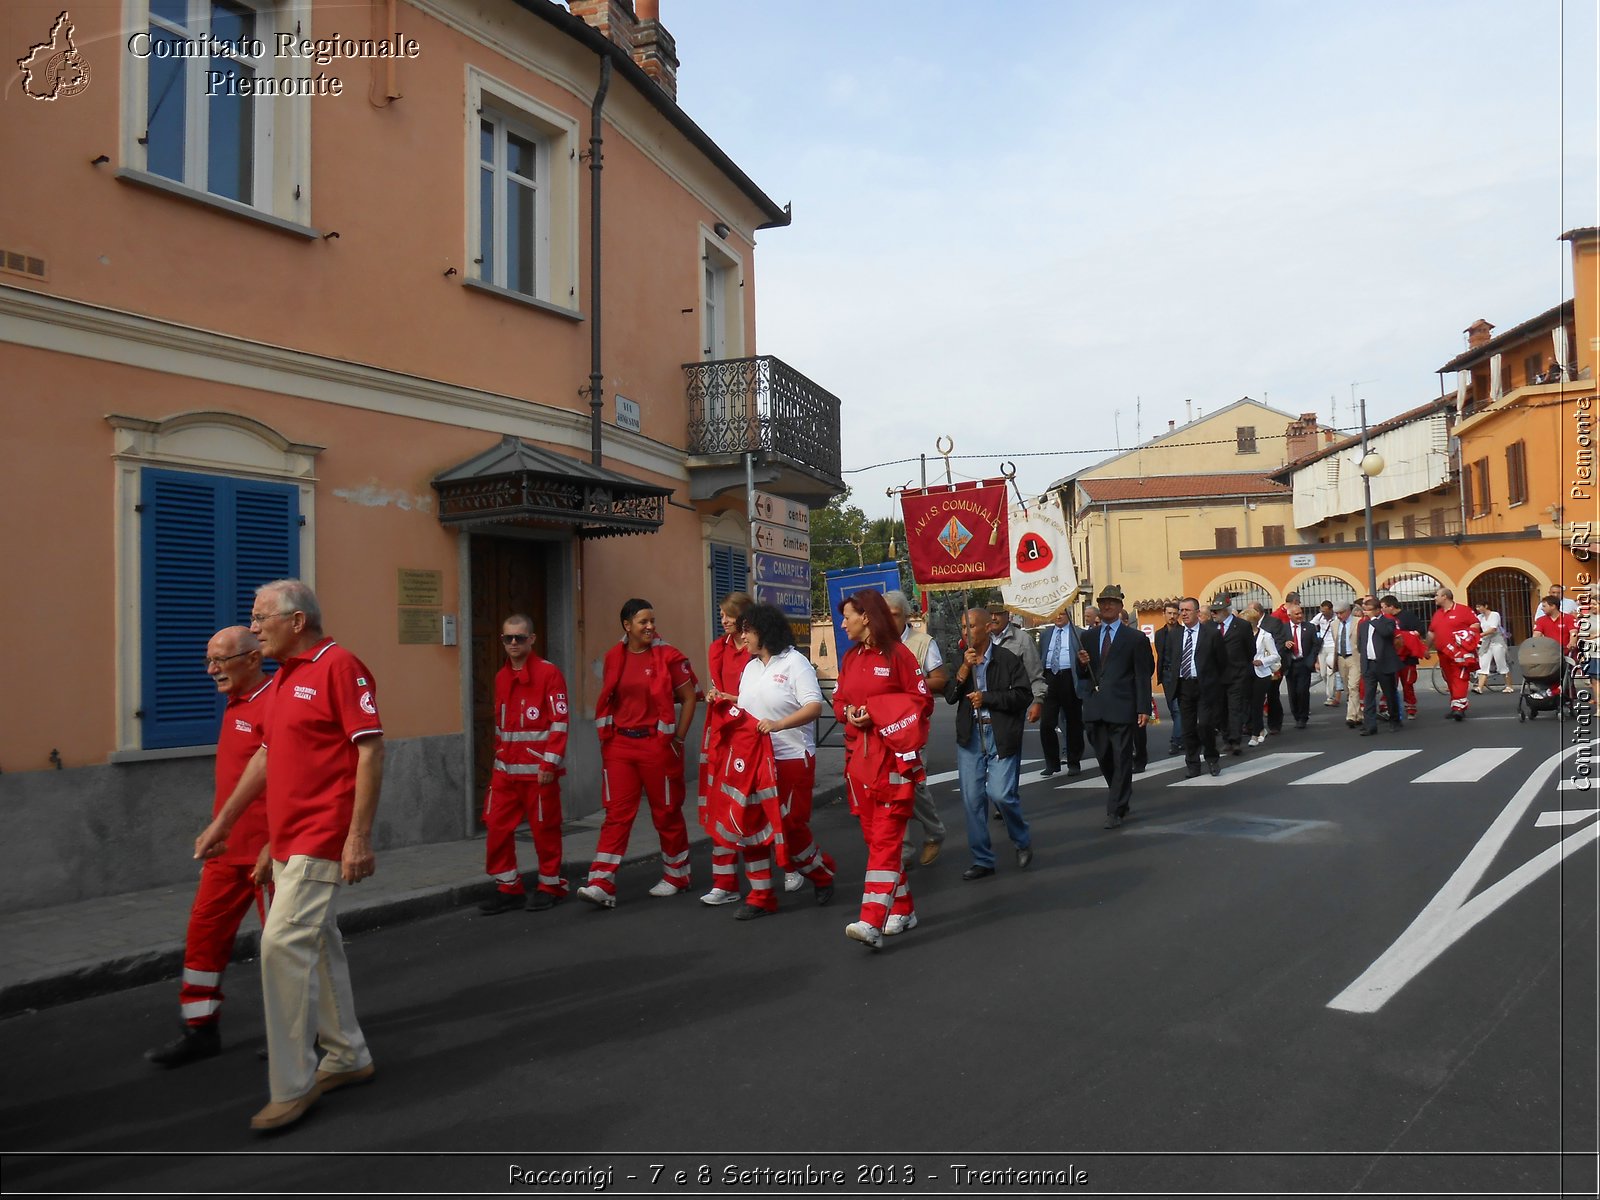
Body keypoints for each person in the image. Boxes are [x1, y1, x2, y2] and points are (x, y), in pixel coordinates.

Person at [195, 579, 382, 1133]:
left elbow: (369, 751)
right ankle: (348, 1055)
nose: (254, 628)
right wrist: (229, 825)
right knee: (318, 944)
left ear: (296, 621)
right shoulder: (284, 681)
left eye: (260, 618)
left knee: (280, 945)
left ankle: (292, 1085)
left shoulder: (340, 666)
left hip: (323, 836)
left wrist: (358, 837)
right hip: (288, 840)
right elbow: (269, 758)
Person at [146, 626, 275, 1068]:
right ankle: (199, 1030)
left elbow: (296, 781)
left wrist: (276, 844)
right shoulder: (235, 703)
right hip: (227, 853)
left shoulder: (277, 702)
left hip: (269, 855)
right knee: (203, 936)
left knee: (283, 948)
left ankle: (298, 1034)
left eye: (221, 660)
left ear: (254, 658)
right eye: (209, 661)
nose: (212, 670)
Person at [578, 598, 699, 907]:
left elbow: (688, 698)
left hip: (657, 745)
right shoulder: (613, 657)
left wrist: (679, 738)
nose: (650, 627)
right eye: (643, 621)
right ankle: (601, 883)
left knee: (666, 812)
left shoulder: (669, 656)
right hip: (620, 746)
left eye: (652, 621)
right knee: (616, 814)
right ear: (627, 625)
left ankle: (677, 875)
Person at [833, 589, 933, 949]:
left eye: (847, 617)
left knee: (887, 841)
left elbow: (922, 702)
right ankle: (903, 910)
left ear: (867, 617)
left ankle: (871, 920)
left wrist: (878, 712)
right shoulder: (850, 658)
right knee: (875, 840)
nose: (842, 623)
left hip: (892, 762)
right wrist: (848, 712)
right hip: (858, 764)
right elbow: (840, 697)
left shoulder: (900, 656)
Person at [722, 602, 836, 917]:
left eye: (747, 631)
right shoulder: (751, 667)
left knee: (789, 827)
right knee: (751, 825)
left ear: (765, 632)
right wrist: (725, 700)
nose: (742, 638)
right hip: (755, 760)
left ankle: (820, 873)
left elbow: (814, 707)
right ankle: (760, 897)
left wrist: (778, 725)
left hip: (791, 758)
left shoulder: (795, 664)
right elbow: (751, 705)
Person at [479, 615, 569, 915]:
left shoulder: (549, 674)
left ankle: (550, 885)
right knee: (495, 827)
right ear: (502, 641)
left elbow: (559, 721)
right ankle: (508, 887)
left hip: (539, 774)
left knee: (545, 831)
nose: (514, 643)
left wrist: (549, 764)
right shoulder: (501, 677)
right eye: (508, 638)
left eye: (519, 637)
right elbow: (501, 727)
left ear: (532, 639)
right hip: (505, 771)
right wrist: (498, 759)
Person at [946, 607, 1034, 880]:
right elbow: (949, 695)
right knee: (973, 800)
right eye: (963, 627)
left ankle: (1021, 839)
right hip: (970, 735)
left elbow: (1022, 696)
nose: (966, 632)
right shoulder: (960, 660)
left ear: (987, 628)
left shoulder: (1007, 660)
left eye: (971, 626)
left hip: (999, 734)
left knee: (1001, 794)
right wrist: (963, 668)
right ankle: (982, 859)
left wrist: (988, 698)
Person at [1076, 584, 1154, 830]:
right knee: (1104, 756)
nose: (1107, 606)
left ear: (1120, 606)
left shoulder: (1135, 638)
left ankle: (1115, 808)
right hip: (1095, 707)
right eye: (1103, 602)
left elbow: (1143, 674)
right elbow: (1085, 674)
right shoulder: (1088, 636)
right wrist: (1082, 664)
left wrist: (1143, 707)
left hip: (1122, 706)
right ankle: (1119, 793)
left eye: (1111, 602)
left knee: (1121, 757)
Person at [884, 590, 949, 868]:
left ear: (907, 616)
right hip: (884, 727)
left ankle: (934, 830)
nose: (888, 620)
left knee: (913, 784)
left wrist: (911, 681)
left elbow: (940, 680)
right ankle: (904, 850)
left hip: (913, 726)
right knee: (891, 788)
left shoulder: (922, 643)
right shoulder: (876, 643)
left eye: (894, 615)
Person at [700, 592, 755, 905]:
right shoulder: (717, 648)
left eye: (728, 615)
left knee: (753, 808)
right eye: (721, 614)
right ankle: (724, 882)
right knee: (721, 805)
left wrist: (729, 698)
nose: (723, 620)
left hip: (750, 731)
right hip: (723, 731)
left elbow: (754, 693)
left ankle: (791, 865)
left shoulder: (755, 648)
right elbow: (718, 685)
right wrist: (716, 696)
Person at [1161, 597, 1226, 778]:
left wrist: (1216, 684)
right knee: (1187, 728)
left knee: (1205, 725)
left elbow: (1221, 661)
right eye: (1181, 610)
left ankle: (1212, 758)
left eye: (1187, 610)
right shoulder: (1175, 635)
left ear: (1197, 613)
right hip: (1184, 686)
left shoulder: (1211, 634)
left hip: (1204, 686)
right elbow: (1172, 660)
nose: (1183, 614)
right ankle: (1193, 764)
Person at [1038, 606, 1086, 776]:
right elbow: (1040, 656)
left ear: (1069, 615)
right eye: (1055, 613)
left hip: (1069, 677)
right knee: (1047, 722)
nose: (1058, 616)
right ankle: (1052, 762)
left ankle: (1074, 761)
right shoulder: (1045, 635)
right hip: (1050, 677)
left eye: (1062, 613)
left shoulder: (1077, 633)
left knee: (1073, 722)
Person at [1428, 587, 1480, 719]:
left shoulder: (1463, 610)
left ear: (1445, 596)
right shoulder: (1437, 614)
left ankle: (1459, 708)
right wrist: (1426, 648)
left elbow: (1475, 625)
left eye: (1437, 595)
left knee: (1460, 677)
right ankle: (1455, 705)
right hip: (1443, 653)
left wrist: (1464, 639)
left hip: (1459, 653)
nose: (1435, 598)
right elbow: (1431, 633)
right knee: (1449, 679)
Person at [1214, 599, 1254, 754]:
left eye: (1216, 611)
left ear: (1226, 611)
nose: (1213, 614)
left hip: (1237, 674)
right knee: (1221, 709)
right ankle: (1226, 737)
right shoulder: (1211, 627)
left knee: (1235, 708)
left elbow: (1250, 649)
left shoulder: (1242, 626)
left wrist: (1243, 666)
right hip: (1218, 676)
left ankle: (1235, 740)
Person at [1360, 596, 1402, 735]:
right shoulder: (1363, 624)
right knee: (1369, 696)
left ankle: (1394, 720)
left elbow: (1386, 633)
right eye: (1365, 610)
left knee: (1389, 694)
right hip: (1369, 664)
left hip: (1384, 663)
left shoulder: (1388, 621)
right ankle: (1370, 725)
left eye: (1370, 610)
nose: (1367, 612)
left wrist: (1373, 620)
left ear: (1378, 610)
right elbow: (1362, 644)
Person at [1244, 603, 1282, 748]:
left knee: (1257, 703)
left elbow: (1275, 656)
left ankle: (1255, 733)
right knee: (1247, 703)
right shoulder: (1243, 636)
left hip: (1261, 673)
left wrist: (1262, 661)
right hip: (1246, 673)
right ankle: (1260, 729)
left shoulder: (1266, 635)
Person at [1152, 603, 1186, 756]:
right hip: (1165, 675)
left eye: (1174, 613)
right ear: (1164, 614)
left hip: (1178, 675)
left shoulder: (1184, 632)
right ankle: (1183, 736)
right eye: (1169, 613)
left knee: (1178, 709)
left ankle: (1176, 741)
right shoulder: (1159, 634)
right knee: (1173, 710)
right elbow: (1160, 654)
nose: (1172, 616)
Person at [1280, 600, 1320, 730]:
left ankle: (1303, 717)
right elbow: (1277, 644)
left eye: (1301, 613)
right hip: (1290, 663)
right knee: (1292, 692)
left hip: (1304, 663)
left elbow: (1315, 644)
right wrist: (1285, 645)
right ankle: (1296, 715)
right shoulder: (1283, 628)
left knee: (1302, 691)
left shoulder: (1309, 627)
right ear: (1289, 615)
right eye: (1296, 614)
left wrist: (1311, 660)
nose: (1300, 616)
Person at [1330, 600, 1364, 728]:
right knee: (1347, 688)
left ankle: (1351, 716)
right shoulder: (1334, 624)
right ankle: (1359, 714)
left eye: (1341, 613)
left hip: (1354, 657)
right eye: (1337, 613)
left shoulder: (1358, 621)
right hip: (1341, 658)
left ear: (1348, 611)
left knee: (1353, 686)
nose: (1339, 616)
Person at [1473, 602, 1514, 693]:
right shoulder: (1480, 617)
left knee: (1501, 664)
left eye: (1479, 606)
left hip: (1497, 642)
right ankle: (1479, 687)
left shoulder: (1495, 615)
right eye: (1476, 607)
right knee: (1483, 664)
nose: (1478, 609)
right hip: (1486, 643)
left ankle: (1509, 686)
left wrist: (1480, 635)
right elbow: (1474, 625)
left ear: (1486, 606)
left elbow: (1493, 629)